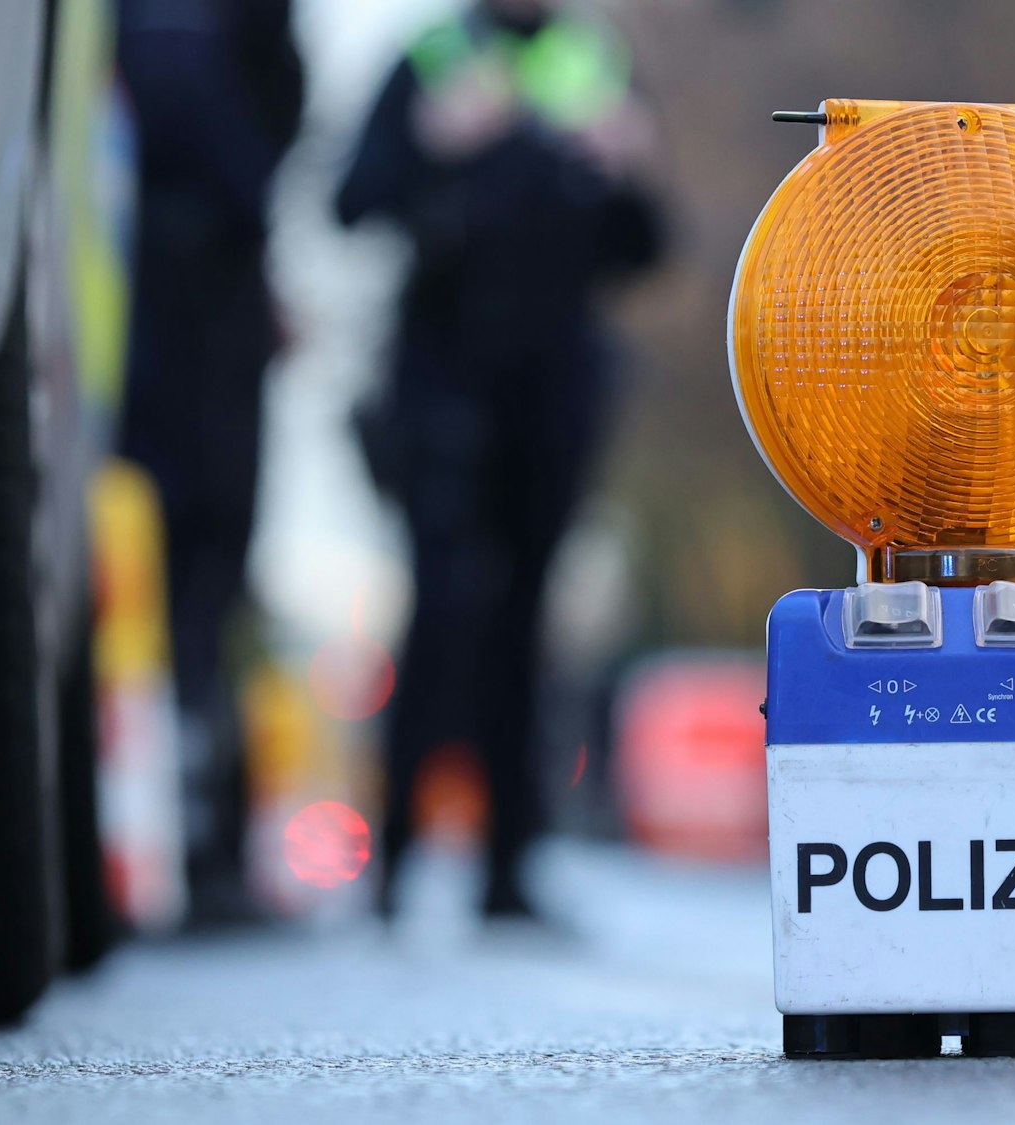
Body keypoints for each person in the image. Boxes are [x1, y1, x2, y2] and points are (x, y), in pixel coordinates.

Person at [335, 0, 663, 921]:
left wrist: (627, 168)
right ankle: (395, 859)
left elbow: (645, 245)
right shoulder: (433, 58)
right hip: (443, 384)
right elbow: (353, 201)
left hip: (553, 392)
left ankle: (509, 870)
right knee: (442, 611)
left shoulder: (594, 64)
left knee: (525, 621)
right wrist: (433, 146)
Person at [116, 0, 304, 925]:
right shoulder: (190, 29)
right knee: (189, 584)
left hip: (166, 298)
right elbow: (250, 128)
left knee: (187, 589)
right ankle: (192, 845)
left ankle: (188, 839)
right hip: (179, 311)